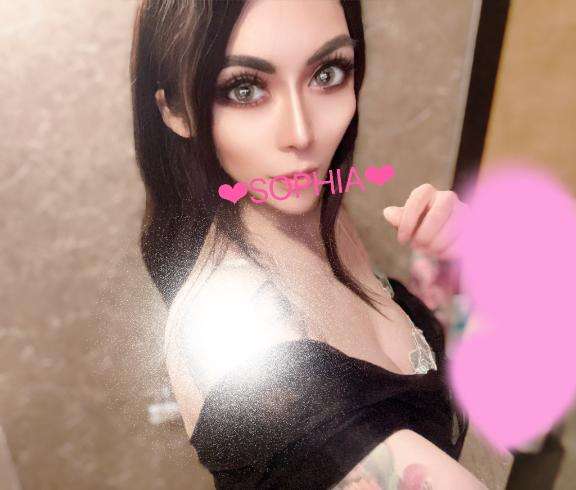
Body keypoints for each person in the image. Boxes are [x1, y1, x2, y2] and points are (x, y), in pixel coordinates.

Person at [130, 0, 486, 487]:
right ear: (174, 110)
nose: (302, 134)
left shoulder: (313, 218)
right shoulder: (246, 338)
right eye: (244, 88)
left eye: (327, 73)